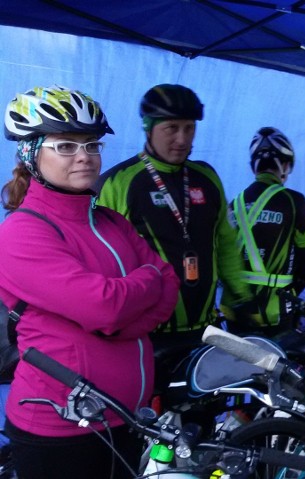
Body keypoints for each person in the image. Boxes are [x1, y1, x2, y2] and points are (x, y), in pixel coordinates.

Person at [0, 85, 179, 478]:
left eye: (92, 145)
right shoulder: (22, 232)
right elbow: (104, 306)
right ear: (31, 154)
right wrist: (132, 301)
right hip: (60, 427)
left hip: (125, 417)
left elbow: (168, 282)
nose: (84, 156)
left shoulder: (111, 221)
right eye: (65, 146)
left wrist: (122, 321)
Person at [96, 84, 257, 363]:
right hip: (148, 333)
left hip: (206, 329)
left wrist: (241, 296)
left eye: (189, 128)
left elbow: (226, 242)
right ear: (148, 128)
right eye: (171, 128)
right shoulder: (117, 182)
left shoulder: (206, 177)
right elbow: (100, 261)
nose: (182, 139)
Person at [222, 127, 305, 331]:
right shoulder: (294, 202)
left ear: (253, 167)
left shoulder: (234, 204)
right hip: (275, 312)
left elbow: (222, 256)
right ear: (284, 165)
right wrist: (291, 293)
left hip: (235, 311)